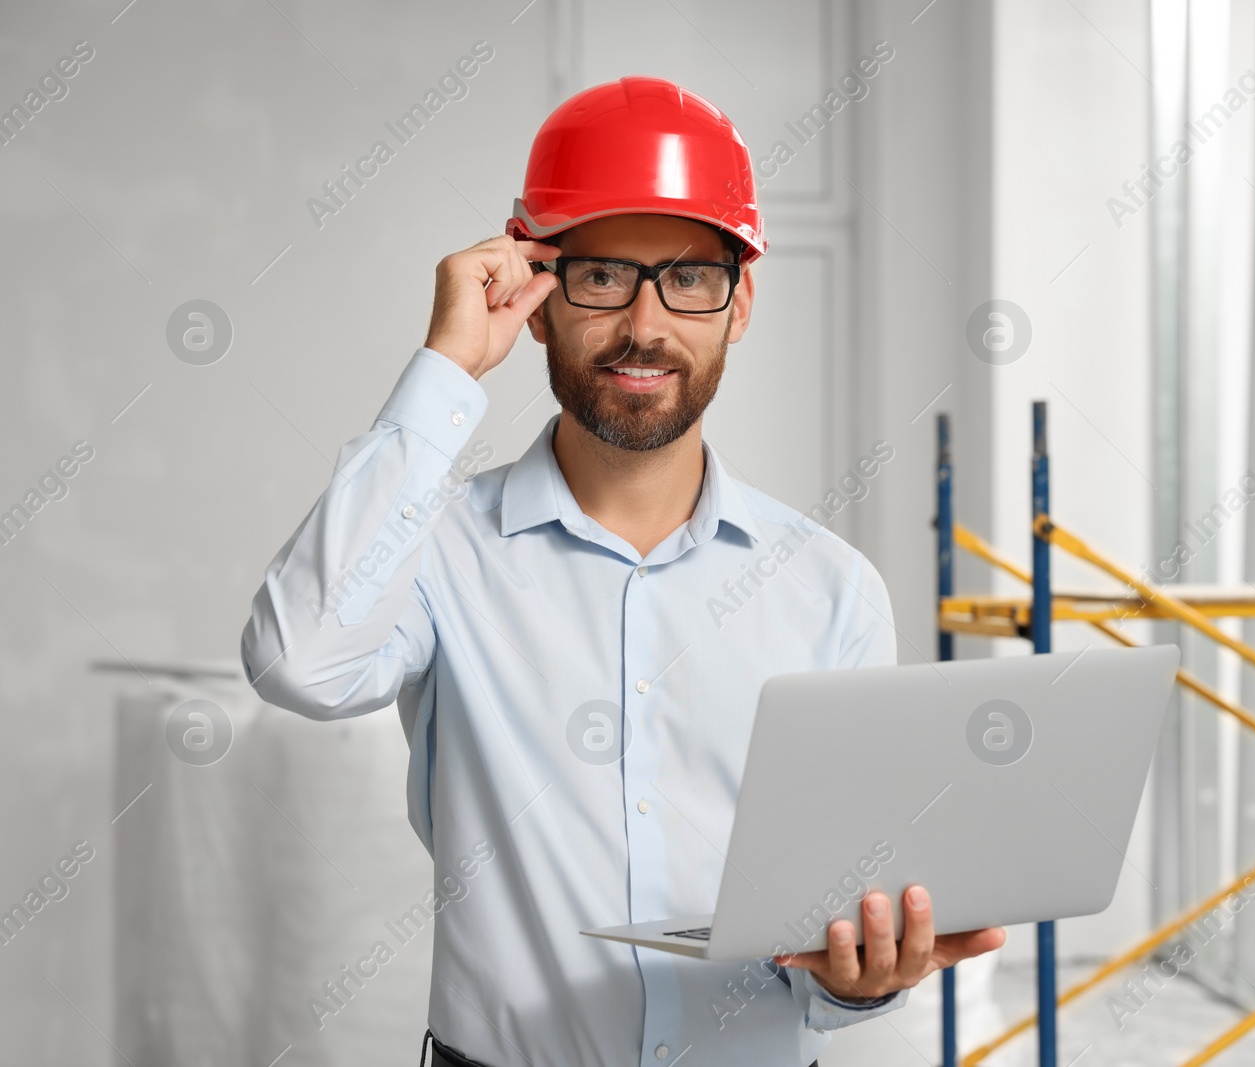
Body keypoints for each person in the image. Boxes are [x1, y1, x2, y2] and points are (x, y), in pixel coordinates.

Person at [240, 76, 1004, 1067]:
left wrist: (855, 981)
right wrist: (445, 367)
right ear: (535, 295)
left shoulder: (831, 590)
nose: (646, 324)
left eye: (690, 277)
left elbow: (827, 939)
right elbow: (299, 662)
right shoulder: (435, 551)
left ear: (740, 306)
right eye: (600, 275)